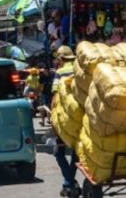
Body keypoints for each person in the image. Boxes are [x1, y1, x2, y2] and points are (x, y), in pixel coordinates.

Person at [52, 47, 79, 196]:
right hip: (80, 117)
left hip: (65, 119)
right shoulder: (79, 70)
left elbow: (55, 96)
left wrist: (52, 120)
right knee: (76, 152)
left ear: (61, 59)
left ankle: (69, 182)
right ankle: (69, 182)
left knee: (58, 152)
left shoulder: (60, 72)